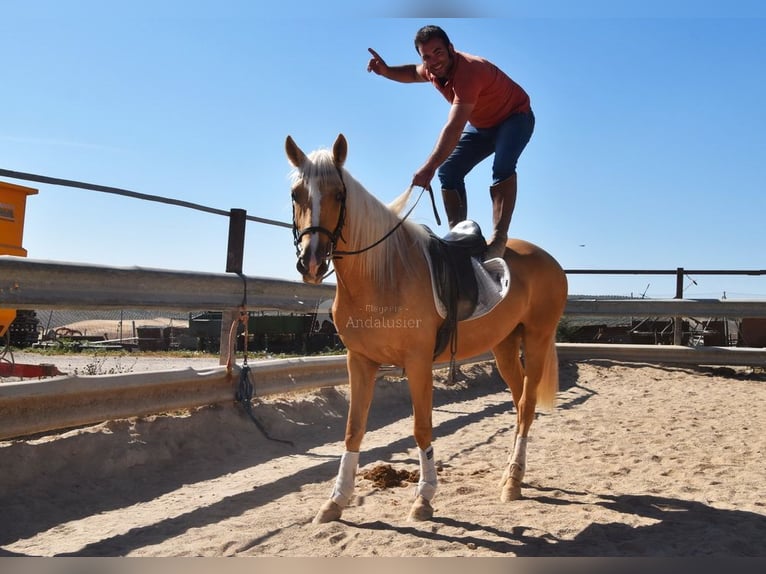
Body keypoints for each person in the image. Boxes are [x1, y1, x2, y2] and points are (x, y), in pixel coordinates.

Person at [367, 25, 535, 259]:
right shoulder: (431, 70)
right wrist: (386, 71)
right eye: (426, 56)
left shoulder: (470, 71)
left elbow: (454, 127)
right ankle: (461, 237)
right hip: (483, 125)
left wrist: (427, 167)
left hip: (515, 117)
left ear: (451, 49)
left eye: (438, 52)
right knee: (448, 171)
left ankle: (498, 238)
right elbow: (413, 73)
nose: (433, 60)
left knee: (502, 167)